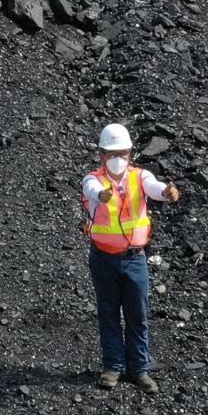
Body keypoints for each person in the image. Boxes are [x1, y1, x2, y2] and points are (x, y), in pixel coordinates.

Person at [82, 123, 179, 393]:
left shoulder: (139, 177)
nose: (118, 158)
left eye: (122, 153)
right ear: (102, 155)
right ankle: (112, 366)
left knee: (138, 314)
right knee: (108, 313)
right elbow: (91, 190)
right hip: (103, 258)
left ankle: (139, 369)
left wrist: (166, 192)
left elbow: (154, 187)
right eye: (112, 153)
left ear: (130, 154)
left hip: (135, 258)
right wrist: (101, 196)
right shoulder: (94, 179)